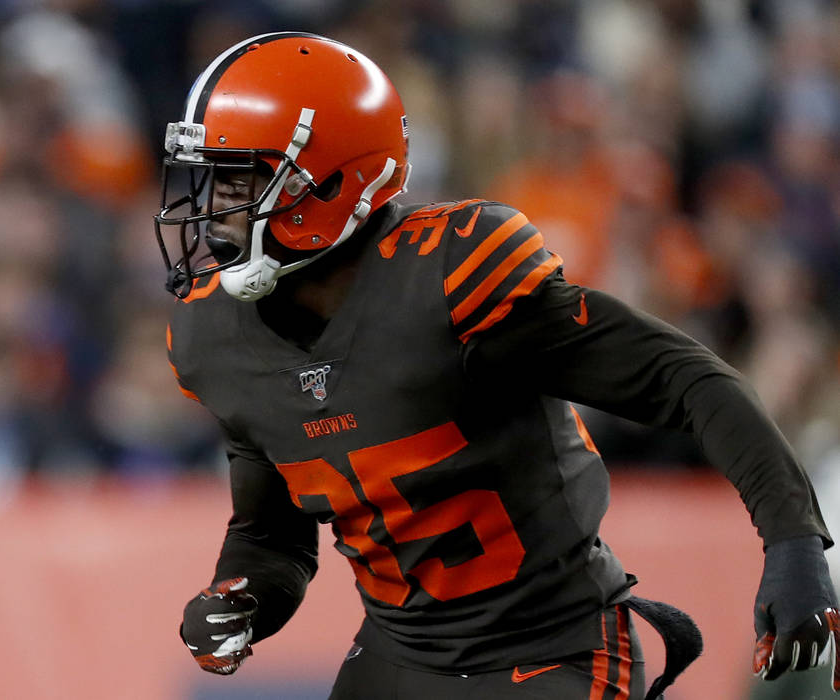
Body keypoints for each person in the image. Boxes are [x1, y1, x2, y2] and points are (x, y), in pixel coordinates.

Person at [154, 32, 839, 700]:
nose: (213, 208)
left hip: (551, 651)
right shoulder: (214, 335)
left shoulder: (452, 282)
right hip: (399, 657)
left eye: (241, 178)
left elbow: (683, 378)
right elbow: (273, 535)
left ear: (332, 181)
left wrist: (794, 541)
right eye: (211, 179)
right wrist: (240, 601)